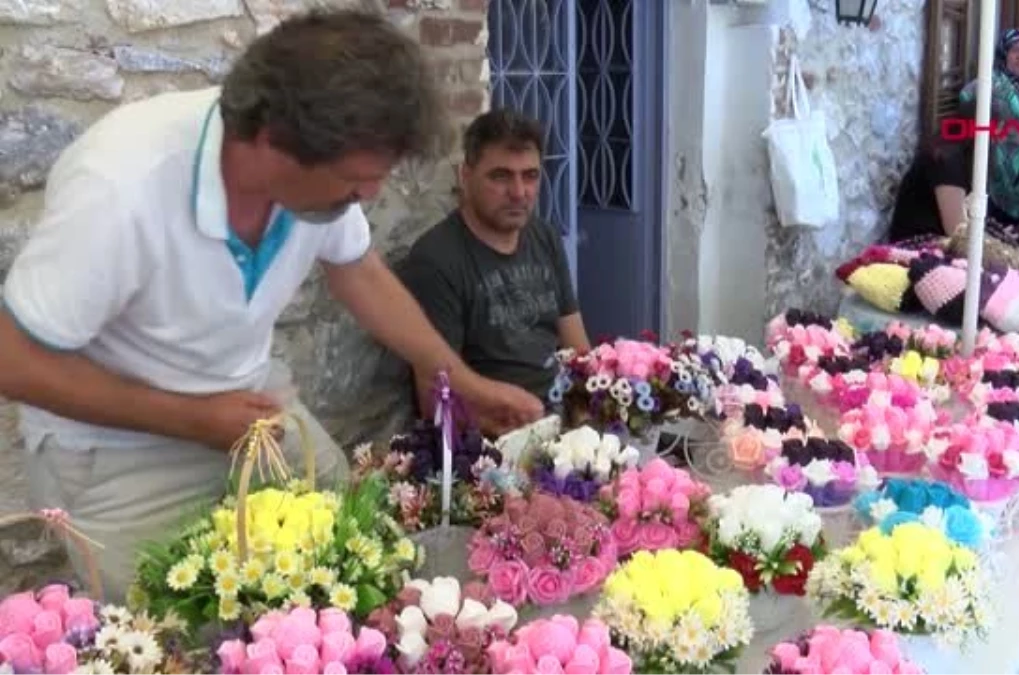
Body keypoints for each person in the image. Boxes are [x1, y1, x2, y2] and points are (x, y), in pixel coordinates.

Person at [0, 10, 544, 602]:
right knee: (176, 631)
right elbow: (13, 360)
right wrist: (193, 419)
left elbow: (357, 268)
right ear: (272, 141)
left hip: (247, 413)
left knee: (360, 561)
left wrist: (457, 379)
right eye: (356, 180)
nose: (369, 195)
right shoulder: (121, 185)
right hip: (116, 455)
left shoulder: (317, 185)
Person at [398, 109, 590, 433]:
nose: (519, 192)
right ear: (465, 175)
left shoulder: (544, 237)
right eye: (500, 176)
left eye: (530, 176)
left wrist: (591, 421)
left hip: (564, 417)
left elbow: (578, 348)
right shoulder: (436, 260)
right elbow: (435, 400)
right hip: (498, 437)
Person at [888, 97, 1019, 246]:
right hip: (916, 247)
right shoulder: (948, 160)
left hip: (940, 243)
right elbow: (957, 231)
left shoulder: (965, 156)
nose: (1002, 139)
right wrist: (996, 241)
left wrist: (997, 234)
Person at [957, 28, 1019, 233]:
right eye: (1015, 50)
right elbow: (965, 97)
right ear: (1004, 53)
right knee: (1001, 236)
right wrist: (989, 128)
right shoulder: (994, 82)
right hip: (1003, 178)